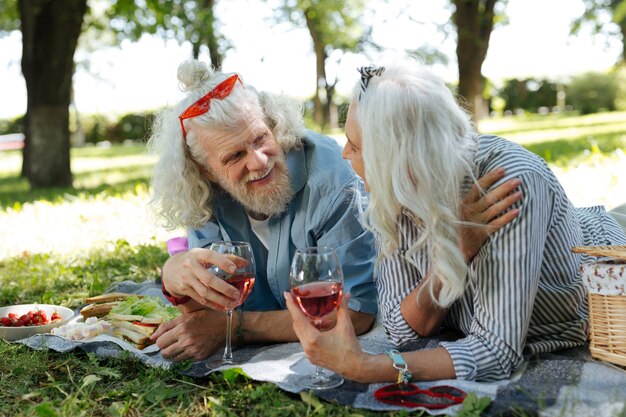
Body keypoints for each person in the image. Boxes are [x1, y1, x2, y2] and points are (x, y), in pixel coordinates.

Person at [148, 60, 519, 362]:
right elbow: (208, 311)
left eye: (261, 138)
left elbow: (355, 313)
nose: (259, 161)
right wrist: (175, 279)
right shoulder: (205, 195)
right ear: (205, 172)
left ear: (274, 125)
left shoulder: (332, 177)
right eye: (234, 156)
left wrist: (233, 329)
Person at [284, 59, 626, 383]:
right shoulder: (396, 195)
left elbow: (496, 352)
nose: (344, 153)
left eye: (356, 146)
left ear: (400, 163)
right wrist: (455, 253)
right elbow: (401, 329)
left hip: (604, 249)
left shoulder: (506, 187)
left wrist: (366, 367)